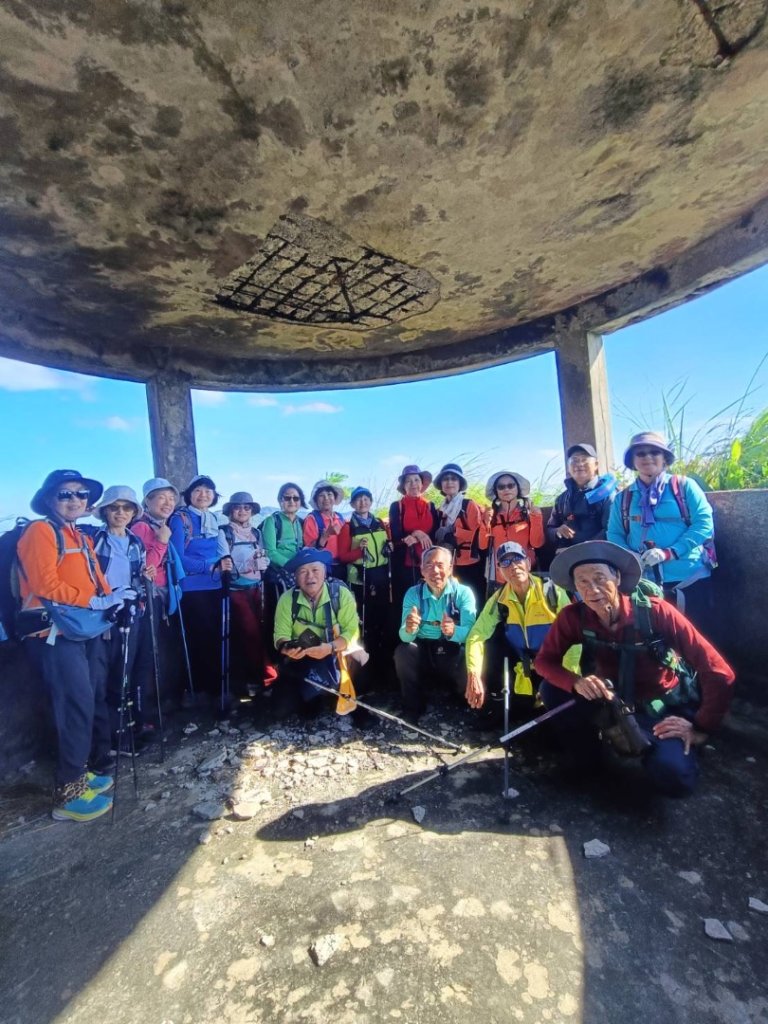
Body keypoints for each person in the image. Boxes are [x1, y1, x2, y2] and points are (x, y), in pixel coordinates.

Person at [534, 541, 734, 796]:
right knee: (551, 689)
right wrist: (576, 682)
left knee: (674, 777)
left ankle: (665, 746)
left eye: (599, 578)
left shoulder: (655, 612)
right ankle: (590, 755)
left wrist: (701, 728)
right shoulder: (573, 616)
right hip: (611, 701)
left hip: (660, 710)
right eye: (582, 582)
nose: (592, 589)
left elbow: (718, 671)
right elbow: (544, 661)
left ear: (617, 577)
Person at [17, 470, 130, 821]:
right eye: (66, 494)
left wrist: (113, 601)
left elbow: (96, 580)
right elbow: (45, 583)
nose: (75, 500)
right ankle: (68, 796)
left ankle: (80, 774)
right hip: (55, 633)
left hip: (82, 630)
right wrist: (93, 602)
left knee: (90, 697)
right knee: (76, 705)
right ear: (50, 499)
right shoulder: (40, 531)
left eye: (81, 495)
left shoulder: (76, 534)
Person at [606, 431, 716, 628]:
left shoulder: (684, 487)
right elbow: (614, 534)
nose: (647, 457)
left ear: (665, 458)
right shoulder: (623, 498)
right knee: (655, 643)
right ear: (633, 461)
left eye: (654, 452)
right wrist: (629, 557)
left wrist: (669, 552)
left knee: (697, 641)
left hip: (689, 579)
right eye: (640, 454)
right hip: (643, 583)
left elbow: (704, 524)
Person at [465, 541, 576, 723]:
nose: (513, 566)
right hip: (524, 666)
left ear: (528, 562)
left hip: (555, 665)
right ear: (500, 571)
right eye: (505, 563)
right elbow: (477, 635)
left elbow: (572, 635)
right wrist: (474, 674)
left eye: (517, 559)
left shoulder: (551, 591)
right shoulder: (499, 599)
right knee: (491, 648)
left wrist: (568, 676)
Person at [90, 486, 151, 752]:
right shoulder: (94, 540)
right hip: (101, 617)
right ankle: (107, 740)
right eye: (115, 507)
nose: (121, 513)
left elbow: (136, 580)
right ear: (105, 511)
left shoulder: (135, 543)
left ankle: (123, 733)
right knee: (103, 679)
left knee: (124, 676)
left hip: (130, 614)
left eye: (127, 508)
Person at [272, 548, 363, 720]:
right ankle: (318, 697)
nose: (310, 577)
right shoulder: (286, 599)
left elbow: (351, 632)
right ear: (296, 577)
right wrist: (286, 648)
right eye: (303, 572)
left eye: (315, 570)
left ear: (324, 572)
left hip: (337, 653)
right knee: (280, 711)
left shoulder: (340, 594)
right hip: (302, 658)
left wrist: (329, 648)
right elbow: (280, 635)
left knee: (359, 659)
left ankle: (337, 693)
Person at [168, 474, 232, 702]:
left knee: (216, 638)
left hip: (215, 587)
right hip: (192, 590)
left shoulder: (212, 518)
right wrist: (210, 565)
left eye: (208, 491)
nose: (203, 494)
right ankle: (200, 690)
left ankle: (216, 688)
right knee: (199, 639)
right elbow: (178, 559)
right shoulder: (180, 519)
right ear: (189, 494)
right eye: (198, 490)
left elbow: (220, 552)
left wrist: (222, 566)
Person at [394, 546, 476, 720]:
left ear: (450, 568)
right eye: (429, 565)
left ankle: (464, 701)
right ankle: (412, 706)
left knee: (468, 653)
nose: (435, 571)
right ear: (422, 570)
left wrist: (454, 631)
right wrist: (409, 629)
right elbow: (404, 636)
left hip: (451, 650)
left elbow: (472, 633)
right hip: (425, 650)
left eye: (440, 564)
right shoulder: (412, 593)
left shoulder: (463, 593)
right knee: (403, 651)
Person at [130, 478, 185, 715]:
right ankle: (149, 708)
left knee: (163, 649)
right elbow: (145, 570)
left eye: (171, 498)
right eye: (161, 497)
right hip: (148, 598)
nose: (168, 502)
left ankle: (164, 700)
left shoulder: (160, 525)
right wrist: (162, 542)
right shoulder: (141, 528)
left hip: (162, 596)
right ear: (147, 501)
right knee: (150, 653)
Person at [218, 491, 275, 696]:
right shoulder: (224, 533)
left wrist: (263, 563)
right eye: (238, 507)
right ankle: (259, 677)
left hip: (257, 587)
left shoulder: (256, 533)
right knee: (250, 632)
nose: (242, 511)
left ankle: (262, 675)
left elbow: (263, 556)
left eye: (246, 508)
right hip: (236, 590)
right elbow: (225, 563)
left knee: (262, 630)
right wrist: (248, 564)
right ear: (231, 511)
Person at [337, 486, 392, 680]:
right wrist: (359, 551)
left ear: (370, 502)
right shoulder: (347, 527)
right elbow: (342, 556)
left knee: (381, 619)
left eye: (366, 499)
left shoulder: (379, 523)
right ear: (352, 504)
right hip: (360, 579)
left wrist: (389, 547)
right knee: (364, 621)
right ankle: (363, 667)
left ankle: (381, 663)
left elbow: (387, 544)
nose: (363, 502)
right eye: (358, 499)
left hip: (381, 576)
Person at [262, 482, 307, 649]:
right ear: (280, 500)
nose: (292, 501)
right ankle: (278, 654)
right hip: (278, 576)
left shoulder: (301, 522)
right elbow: (270, 552)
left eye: (296, 498)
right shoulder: (271, 521)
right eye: (287, 497)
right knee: (279, 614)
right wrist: (292, 566)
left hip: (298, 575)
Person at [480, 470, 545, 588]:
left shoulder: (528, 514)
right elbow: (483, 545)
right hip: (501, 576)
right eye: (501, 487)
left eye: (511, 485)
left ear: (517, 489)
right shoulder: (491, 515)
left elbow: (537, 543)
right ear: (496, 491)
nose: (506, 489)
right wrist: (485, 523)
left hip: (525, 573)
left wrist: (536, 517)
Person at [546, 443, 617, 551]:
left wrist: (582, 550)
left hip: (601, 555)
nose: (579, 464)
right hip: (568, 555)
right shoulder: (562, 499)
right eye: (574, 460)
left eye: (584, 459)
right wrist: (558, 531)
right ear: (568, 466)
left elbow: (611, 530)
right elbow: (550, 528)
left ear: (596, 465)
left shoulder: (607, 494)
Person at [433, 462, 485, 608]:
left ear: (460, 483)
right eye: (446, 479)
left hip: (469, 563)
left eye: (454, 479)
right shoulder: (440, 509)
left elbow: (476, 534)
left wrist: (453, 531)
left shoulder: (469, 505)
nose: (449, 482)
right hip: (448, 564)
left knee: (472, 603)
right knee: (452, 604)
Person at [389, 464, 438, 607]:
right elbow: (396, 535)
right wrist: (417, 533)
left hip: (428, 562)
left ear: (422, 483)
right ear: (404, 486)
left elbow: (435, 533)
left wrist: (418, 535)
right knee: (406, 602)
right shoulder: (396, 506)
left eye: (416, 480)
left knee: (428, 601)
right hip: (404, 562)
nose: (413, 484)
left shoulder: (430, 506)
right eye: (408, 481)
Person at [303, 479, 346, 579]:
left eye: (329, 494)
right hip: (322, 569)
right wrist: (326, 535)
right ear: (316, 500)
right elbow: (310, 550)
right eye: (321, 495)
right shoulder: (312, 519)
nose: (326, 498)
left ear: (334, 498)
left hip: (341, 567)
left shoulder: (340, 518)